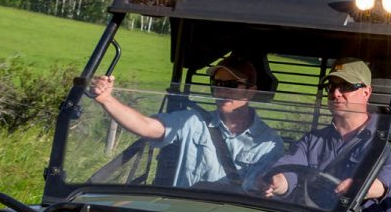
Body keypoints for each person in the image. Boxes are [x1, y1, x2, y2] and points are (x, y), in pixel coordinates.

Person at [90, 54, 283, 191]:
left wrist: (269, 187)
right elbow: (146, 127)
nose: (222, 92)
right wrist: (107, 99)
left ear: (251, 91)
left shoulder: (269, 143)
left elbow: (264, 190)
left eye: (231, 85)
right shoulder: (192, 121)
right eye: (217, 84)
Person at [262, 58, 391, 212]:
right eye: (331, 87)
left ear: (366, 92)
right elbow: (288, 171)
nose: (336, 93)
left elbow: (384, 184)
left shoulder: (388, 141)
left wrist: (359, 187)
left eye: (345, 86)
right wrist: (276, 182)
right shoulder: (313, 140)